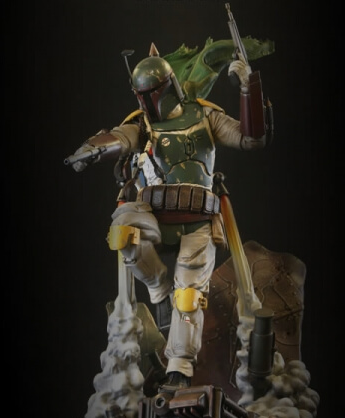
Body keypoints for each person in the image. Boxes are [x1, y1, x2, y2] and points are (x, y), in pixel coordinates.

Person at [69, 45, 268, 389]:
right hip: (155, 217)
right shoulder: (142, 124)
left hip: (198, 221)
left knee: (188, 295)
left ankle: (179, 368)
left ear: (168, 86)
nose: (147, 101)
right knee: (123, 233)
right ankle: (158, 287)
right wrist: (94, 149)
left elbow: (251, 139)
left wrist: (249, 90)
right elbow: (120, 138)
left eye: (152, 93)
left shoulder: (205, 115)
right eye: (141, 95)